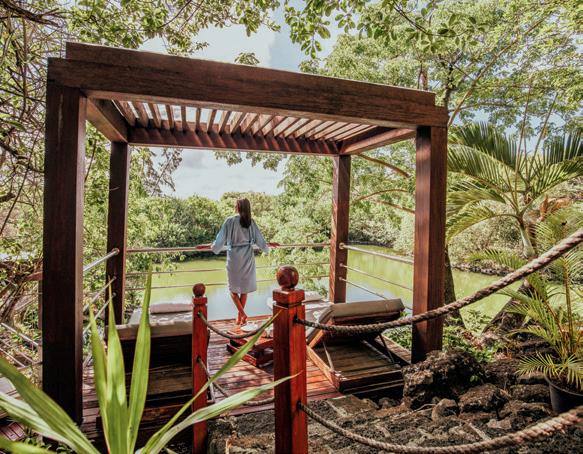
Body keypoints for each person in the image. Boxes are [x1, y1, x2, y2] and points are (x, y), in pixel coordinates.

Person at [197, 198, 276, 326]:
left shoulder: (230, 221)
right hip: (247, 255)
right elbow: (260, 240)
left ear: (238, 207)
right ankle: (241, 316)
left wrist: (210, 246)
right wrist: (267, 246)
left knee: (232, 289)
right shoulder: (250, 222)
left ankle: (241, 316)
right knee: (244, 289)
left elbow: (219, 241)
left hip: (234, 256)